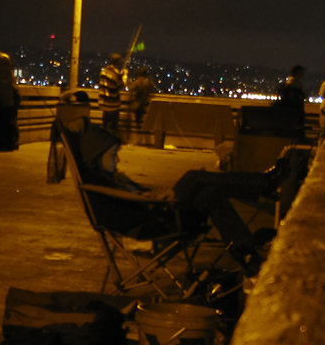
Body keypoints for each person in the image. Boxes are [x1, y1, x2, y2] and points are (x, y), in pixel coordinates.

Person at [62, 109, 292, 277]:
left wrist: (152, 194)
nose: (118, 159)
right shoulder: (99, 185)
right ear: (96, 156)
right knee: (194, 177)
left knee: (209, 192)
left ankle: (245, 249)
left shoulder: (111, 179)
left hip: (158, 212)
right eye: (113, 155)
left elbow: (135, 197)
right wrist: (150, 200)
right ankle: (264, 184)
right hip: (154, 220)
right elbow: (121, 213)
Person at [274, 64, 306, 140]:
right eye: (301, 72)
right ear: (297, 73)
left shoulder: (294, 83)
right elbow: (293, 98)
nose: (303, 74)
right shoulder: (292, 83)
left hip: (294, 111)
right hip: (294, 111)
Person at [98, 53, 124, 134]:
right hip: (112, 104)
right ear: (117, 62)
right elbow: (120, 86)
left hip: (103, 103)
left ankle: (104, 140)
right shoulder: (116, 73)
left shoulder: (104, 71)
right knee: (113, 126)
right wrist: (123, 76)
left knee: (105, 124)